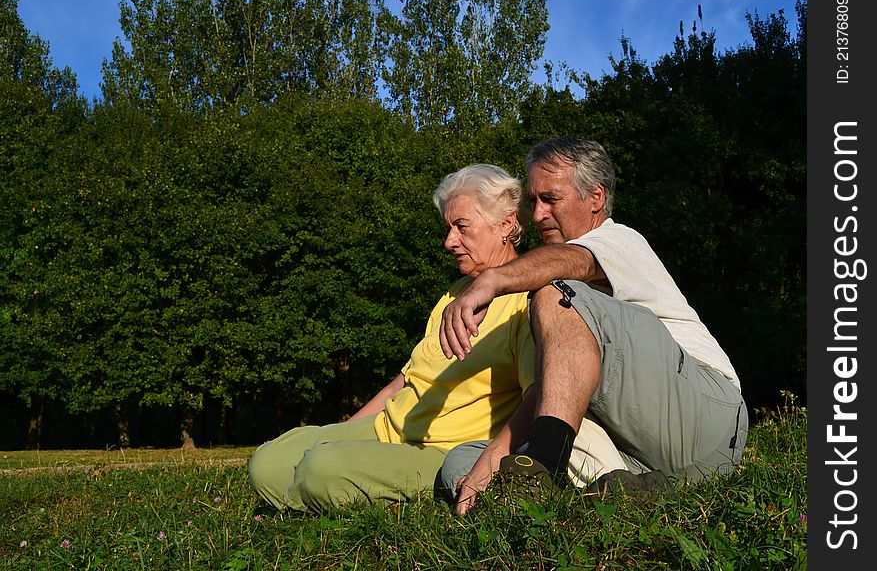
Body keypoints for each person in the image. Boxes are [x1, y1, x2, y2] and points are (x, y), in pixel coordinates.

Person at [438, 137, 748, 515]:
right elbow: (555, 391)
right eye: (534, 201)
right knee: (466, 457)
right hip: (641, 446)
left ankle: (541, 473)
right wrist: (492, 460)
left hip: (708, 413)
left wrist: (492, 280)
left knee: (557, 296)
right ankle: (618, 492)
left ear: (596, 198)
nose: (537, 215)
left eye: (550, 199)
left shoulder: (619, 241)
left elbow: (573, 264)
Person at [248, 163, 536, 513]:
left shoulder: (527, 302)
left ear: (505, 224)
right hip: (387, 428)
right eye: (448, 228)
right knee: (266, 464)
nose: (449, 241)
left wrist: (488, 463)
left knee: (320, 469)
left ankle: (331, 495)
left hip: (441, 450)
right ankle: (318, 491)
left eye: (461, 227)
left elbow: (537, 397)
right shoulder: (455, 294)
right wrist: (342, 433)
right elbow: (405, 380)